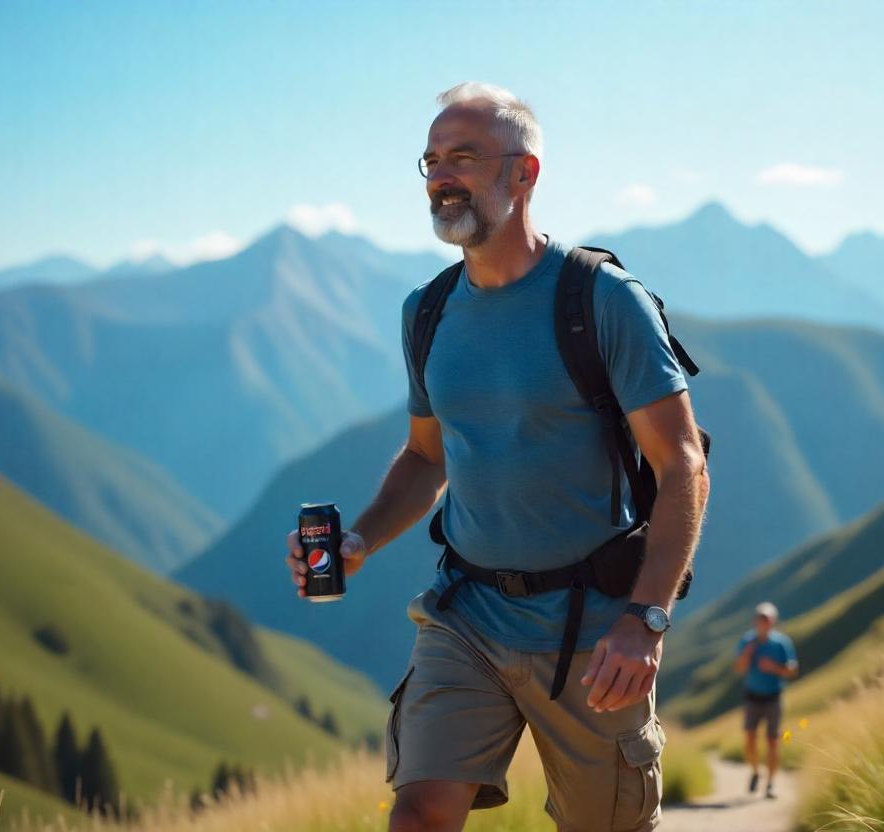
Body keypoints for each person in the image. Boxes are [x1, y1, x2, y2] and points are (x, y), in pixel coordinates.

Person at [285, 81, 710, 832]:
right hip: (468, 615)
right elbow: (425, 458)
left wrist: (645, 620)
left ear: (525, 173)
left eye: (466, 157)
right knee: (417, 816)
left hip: (591, 627)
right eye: (432, 160)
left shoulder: (603, 300)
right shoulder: (429, 311)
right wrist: (358, 542)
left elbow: (683, 466)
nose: (442, 175)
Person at [733, 602, 798, 800]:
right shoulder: (747, 641)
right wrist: (747, 654)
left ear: (773, 622)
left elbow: (792, 670)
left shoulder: (781, 643)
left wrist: (774, 668)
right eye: (761, 619)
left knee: (773, 741)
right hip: (752, 697)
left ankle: (770, 785)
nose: (764, 623)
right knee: (750, 740)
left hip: (773, 697)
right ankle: (755, 771)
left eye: (767, 619)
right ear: (756, 621)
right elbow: (739, 669)